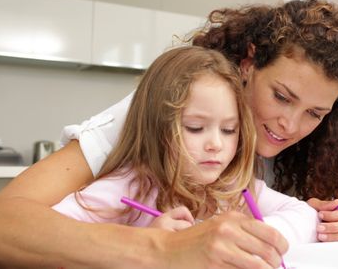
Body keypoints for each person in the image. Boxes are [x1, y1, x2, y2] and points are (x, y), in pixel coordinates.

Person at [0, 0, 338, 268]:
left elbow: (279, 214)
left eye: (314, 114)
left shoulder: (270, 144)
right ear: (248, 64)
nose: (290, 126)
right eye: (281, 96)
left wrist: (306, 228)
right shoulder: (161, 113)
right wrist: (163, 248)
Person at [52, 46, 318, 245]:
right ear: (156, 126)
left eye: (228, 130)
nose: (215, 144)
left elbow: (304, 214)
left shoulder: (233, 187)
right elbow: (52, 241)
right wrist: (148, 244)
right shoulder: (128, 187)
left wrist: (250, 236)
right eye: (195, 128)